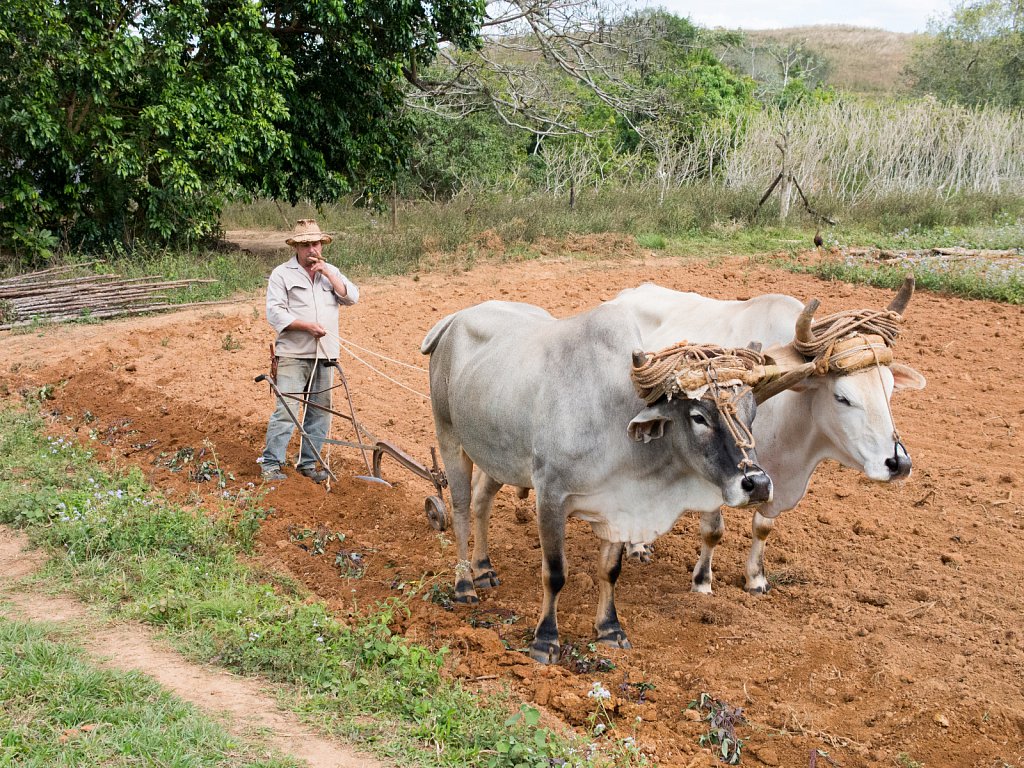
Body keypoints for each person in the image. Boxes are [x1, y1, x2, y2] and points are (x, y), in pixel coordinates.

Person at [259, 219, 359, 483]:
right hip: (293, 354)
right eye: (305, 245)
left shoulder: (331, 272)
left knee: (319, 412)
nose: (311, 249)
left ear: (321, 245)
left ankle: (308, 464)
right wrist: (306, 326)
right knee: (287, 410)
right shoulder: (282, 274)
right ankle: (271, 464)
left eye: (315, 244)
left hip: (325, 355)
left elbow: (352, 297)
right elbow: (275, 313)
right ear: (296, 247)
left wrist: (328, 273)